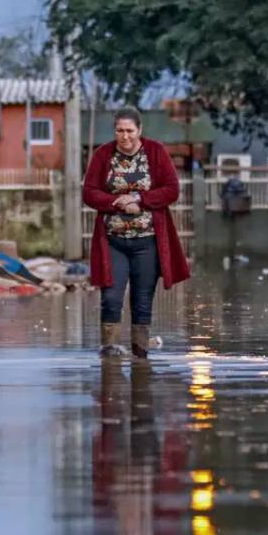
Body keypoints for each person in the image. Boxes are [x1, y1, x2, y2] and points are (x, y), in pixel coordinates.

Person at [83, 107, 191, 358]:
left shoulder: (155, 152)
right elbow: (89, 192)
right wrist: (117, 201)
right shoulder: (103, 155)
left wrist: (140, 199)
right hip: (113, 241)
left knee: (142, 301)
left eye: (129, 130)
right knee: (111, 297)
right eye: (119, 130)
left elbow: (171, 190)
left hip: (148, 241)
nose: (125, 136)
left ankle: (140, 354)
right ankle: (109, 351)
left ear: (139, 130)